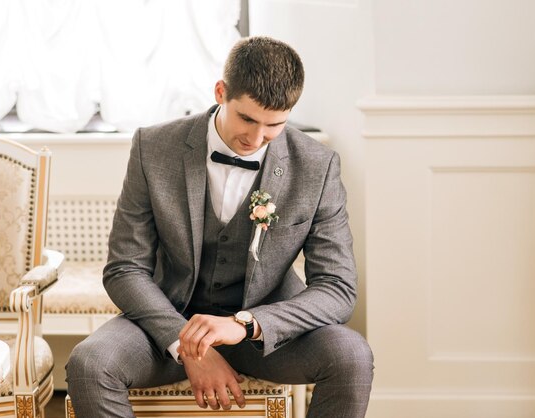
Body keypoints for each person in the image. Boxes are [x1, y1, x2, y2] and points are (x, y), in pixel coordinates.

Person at [66, 36, 373, 418]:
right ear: (221, 92)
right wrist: (187, 344)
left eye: (274, 125)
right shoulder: (154, 146)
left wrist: (247, 324)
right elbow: (124, 268)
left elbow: (338, 288)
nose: (256, 138)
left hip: (265, 336)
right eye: (246, 118)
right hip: (166, 323)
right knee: (90, 364)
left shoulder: (317, 166)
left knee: (352, 357)